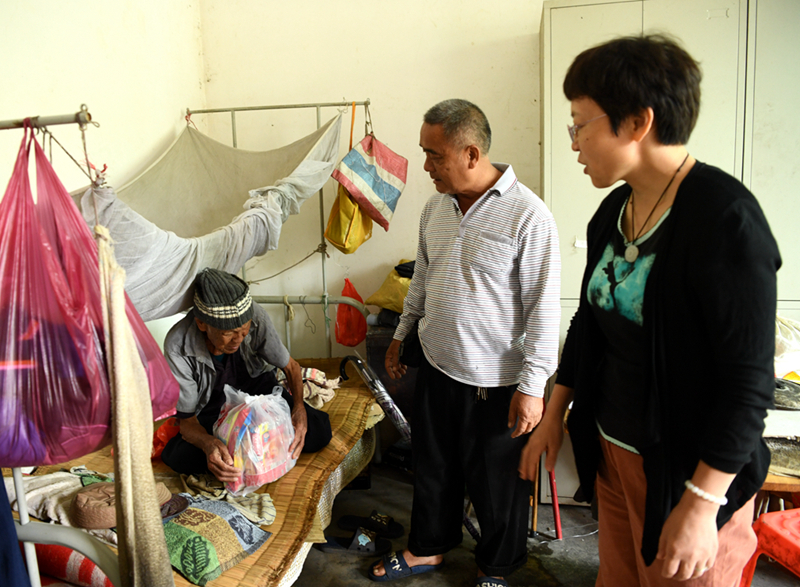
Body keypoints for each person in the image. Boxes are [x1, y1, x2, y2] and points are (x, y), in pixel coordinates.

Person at [519, 35, 780, 586]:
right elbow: (590, 324)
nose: (574, 142)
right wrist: (555, 414)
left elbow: (748, 386)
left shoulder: (724, 218)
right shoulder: (613, 210)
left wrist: (703, 505)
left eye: (580, 124)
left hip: (690, 474)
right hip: (615, 455)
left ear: (638, 122)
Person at [373, 99, 561, 586]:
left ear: (471, 153)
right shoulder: (435, 209)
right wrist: (401, 334)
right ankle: (427, 550)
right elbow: (422, 279)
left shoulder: (528, 215)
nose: (426, 166)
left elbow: (544, 308)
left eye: (434, 155)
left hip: (496, 382)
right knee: (433, 468)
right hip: (438, 365)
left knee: (498, 483)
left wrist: (533, 387)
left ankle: (494, 568)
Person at [161, 268, 332, 484]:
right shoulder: (178, 346)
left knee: (318, 432)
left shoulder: (255, 315)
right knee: (181, 457)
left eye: (244, 331)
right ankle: (252, 453)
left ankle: (255, 453)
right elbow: (187, 422)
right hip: (215, 410)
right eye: (228, 333)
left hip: (259, 394)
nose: (238, 339)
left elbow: (291, 367)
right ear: (202, 324)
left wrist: (299, 409)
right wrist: (210, 444)